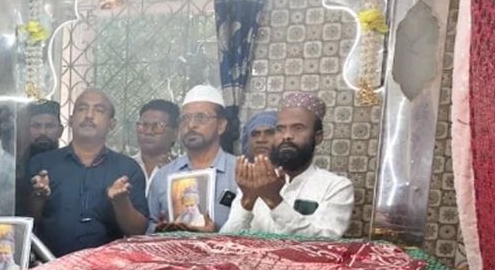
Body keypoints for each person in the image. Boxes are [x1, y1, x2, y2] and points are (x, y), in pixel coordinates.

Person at [27, 88, 150, 257]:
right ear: (71, 120)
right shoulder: (42, 165)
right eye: (82, 109)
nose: (89, 115)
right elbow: (24, 224)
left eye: (99, 110)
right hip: (49, 266)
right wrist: (38, 197)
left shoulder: (127, 169)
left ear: (111, 124)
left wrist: (121, 201)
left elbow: (137, 231)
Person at [221, 93, 355, 238]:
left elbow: (324, 244)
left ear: (318, 137)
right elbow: (225, 243)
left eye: (298, 128)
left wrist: (274, 200)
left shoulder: (336, 187)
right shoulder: (255, 182)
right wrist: (247, 201)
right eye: (280, 129)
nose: (286, 135)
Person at [148, 84, 238, 232]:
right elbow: (150, 230)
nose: (191, 125)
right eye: (185, 119)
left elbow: (255, 230)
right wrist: (162, 232)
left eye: (201, 118)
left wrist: (215, 236)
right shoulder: (163, 176)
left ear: (221, 125)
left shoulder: (240, 172)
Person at [16, 100, 63, 217]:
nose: (43, 132)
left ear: (60, 131)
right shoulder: (16, 167)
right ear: (28, 130)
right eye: (36, 126)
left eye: (49, 126)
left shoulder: (68, 164)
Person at [135, 99, 179, 192]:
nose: (148, 132)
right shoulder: (124, 166)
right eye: (144, 125)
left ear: (175, 134)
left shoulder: (183, 169)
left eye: (157, 126)